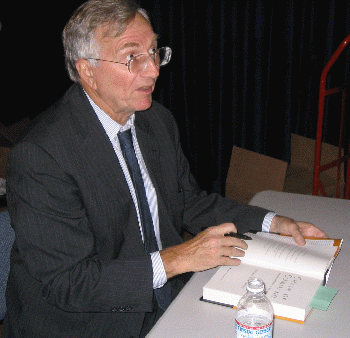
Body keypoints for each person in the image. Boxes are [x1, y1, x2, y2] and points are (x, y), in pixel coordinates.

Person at [3, 0, 327, 337]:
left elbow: (188, 201)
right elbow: (70, 283)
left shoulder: (154, 120)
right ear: (88, 71)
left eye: (155, 51)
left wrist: (273, 222)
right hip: (88, 322)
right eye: (133, 57)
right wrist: (179, 259)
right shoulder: (41, 155)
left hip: (167, 295)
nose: (154, 69)